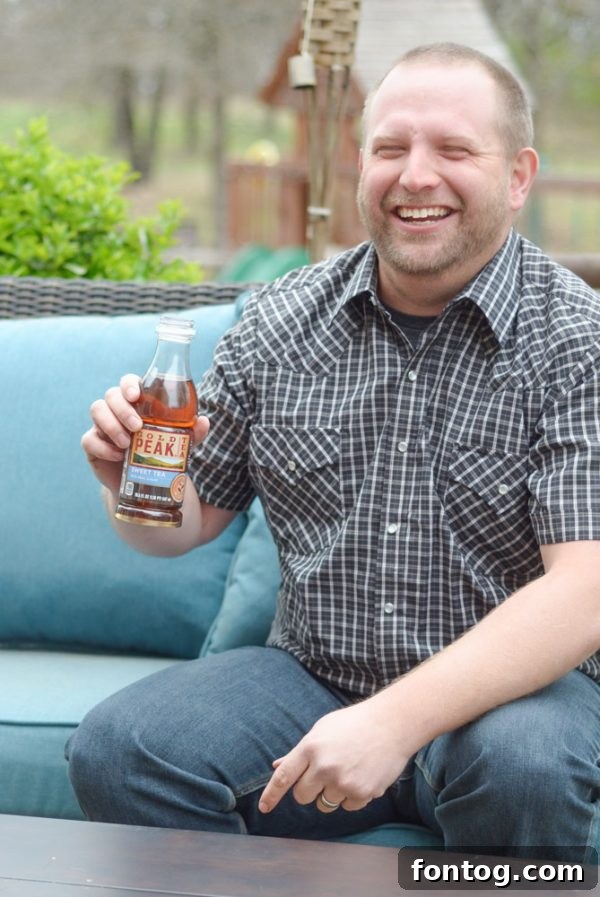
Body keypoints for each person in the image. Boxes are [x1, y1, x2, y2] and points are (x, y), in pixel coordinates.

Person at [68, 42, 600, 860]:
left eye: (454, 150)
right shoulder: (281, 319)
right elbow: (182, 521)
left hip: (519, 697)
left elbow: (585, 589)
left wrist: (392, 722)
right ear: (363, 164)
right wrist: (129, 482)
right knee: (123, 747)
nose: (415, 176)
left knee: (524, 766)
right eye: (391, 148)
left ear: (519, 175)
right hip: (315, 675)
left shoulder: (577, 341)